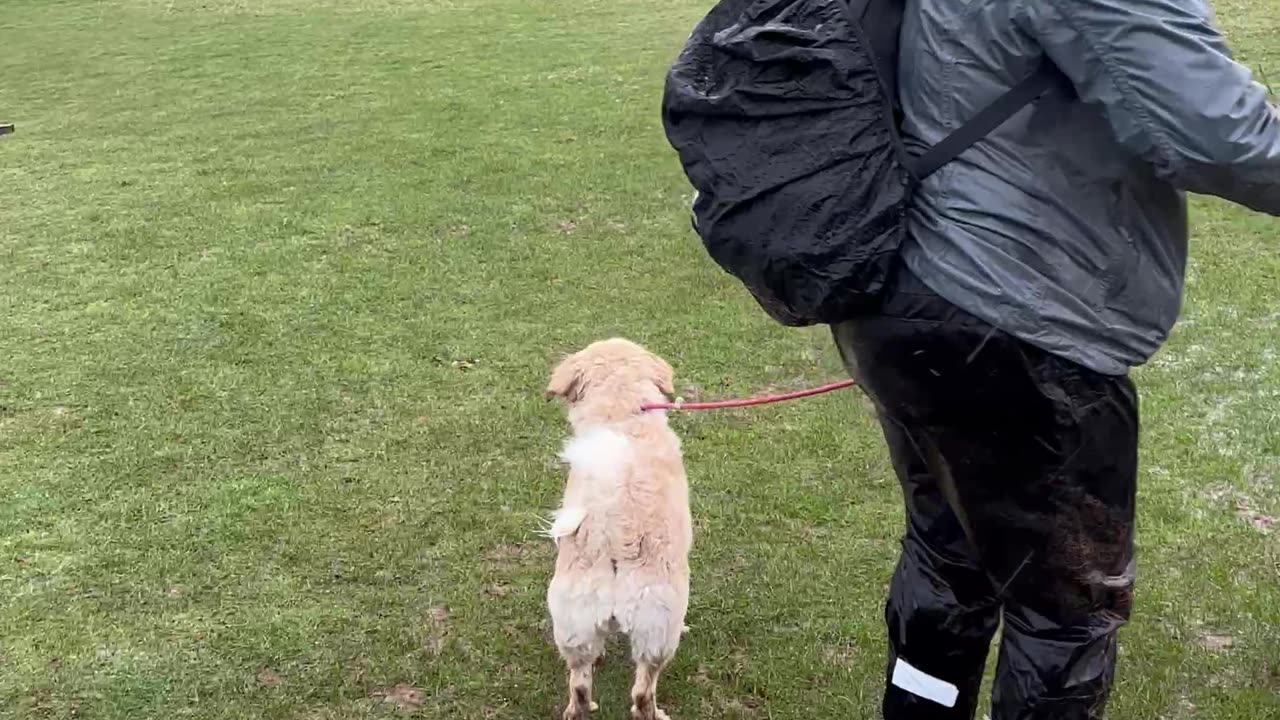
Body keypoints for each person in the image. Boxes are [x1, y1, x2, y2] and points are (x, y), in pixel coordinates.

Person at [830, 0, 1280, 718]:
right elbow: (1217, 134)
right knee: (1065, 611)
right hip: (1019, 316)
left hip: (908, 296)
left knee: (948, 561)